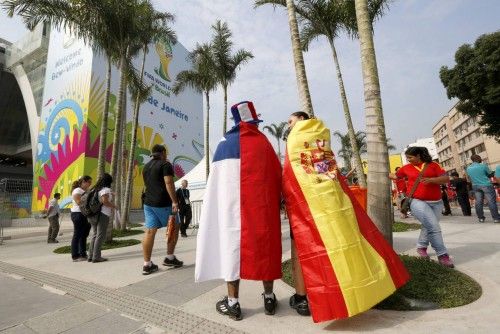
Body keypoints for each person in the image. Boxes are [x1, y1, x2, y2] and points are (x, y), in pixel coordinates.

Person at [283, 112, 409, 323]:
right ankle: (311, 297)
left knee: (305, 255)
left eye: (291, 121)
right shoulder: (320, 145)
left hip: (308, 211)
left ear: (302, 120)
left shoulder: (296, 142)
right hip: (331, 209)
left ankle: (302, 298)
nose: (288, 125)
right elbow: (326, 174)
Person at [195, 101, 282, 321]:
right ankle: (269, 297)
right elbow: (276, 177)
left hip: (231, 212)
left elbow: (215, 184)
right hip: (262, 211)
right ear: (253, 119)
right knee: (266, 249)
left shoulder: (225, 143)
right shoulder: (264, 143)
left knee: (232, 250)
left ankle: (233, 303)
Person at [390, 146, 454, 268]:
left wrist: (432, 180)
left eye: (410, 157)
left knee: (428, 225)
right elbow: (395, 176)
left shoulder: (433, 165)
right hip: (416, 201)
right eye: (407, 157)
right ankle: (442, 255)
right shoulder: (406, 168)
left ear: (419, 155)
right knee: (434, 227)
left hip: (436, 202)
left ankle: (421, 247)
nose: (408, 159)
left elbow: (446, 178)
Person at [142, 144, 182, 275]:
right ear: (163, 153)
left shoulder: (146, 167)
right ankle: (170, 257)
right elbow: (169, 182)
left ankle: (147, 264)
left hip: (148, 203)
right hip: (163, 203)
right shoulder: (165, 165)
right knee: (174, 227)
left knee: (149, 232)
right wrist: (175, 201)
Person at [88, 173, 116, 263]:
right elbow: (105, 202)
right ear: (109, 181)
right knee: (100, 235)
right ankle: (96, 257)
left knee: (95, 235)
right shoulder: (106, 190)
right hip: (102, 214)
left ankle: (91, 256)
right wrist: (114, 206)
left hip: (93, 214)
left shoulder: (95, 189)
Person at [466, 154, 499, 223]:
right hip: (486, 185)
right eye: (480, 158)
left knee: (478, 202)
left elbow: (469, 178)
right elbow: (490, 175)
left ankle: (481, 218)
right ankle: (496, 218)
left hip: (475, 186)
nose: (481, 159)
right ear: (478, 158)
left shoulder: (468, 168)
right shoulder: (483, 166)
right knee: (491, 201)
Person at [70, 176, 92, 262]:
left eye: (90, 182)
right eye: (89, 182)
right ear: (83, 182)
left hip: (84, 214)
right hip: (78, 214)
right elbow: (78, 202)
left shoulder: (84, 191)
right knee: (77, 235)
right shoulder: (77, 190)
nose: (90, 184)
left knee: (83, 235)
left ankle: (83, 253)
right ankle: (75, 255)